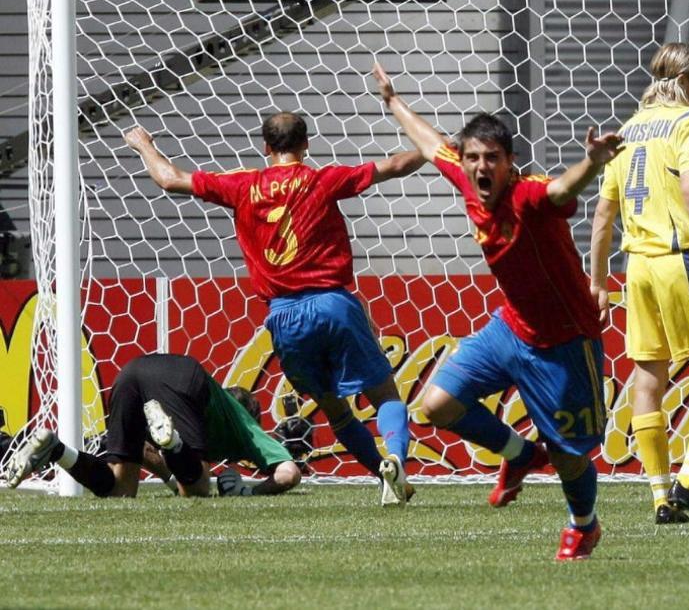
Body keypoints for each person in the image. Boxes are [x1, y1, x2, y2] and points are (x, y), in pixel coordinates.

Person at [371, 63, 621, 560]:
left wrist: (592, 163)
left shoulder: (528, 195)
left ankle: (583, 525)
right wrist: (392, 100)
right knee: (436, 405)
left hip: (565, 341)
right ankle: (522, 454)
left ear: (510, 162)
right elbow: (428, 142)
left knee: (572, 458)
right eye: (473, 158)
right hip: (511, 328)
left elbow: (562, 190)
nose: (481, 167)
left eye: (492, 158)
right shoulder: (465, 179)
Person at [124, 113, 423, 506]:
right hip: (333, 303)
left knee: (337, 413)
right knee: (386, 398)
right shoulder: (321, 179)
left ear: (266, 147)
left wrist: (143, 143)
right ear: (307, 144)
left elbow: (169, 178)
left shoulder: (242, 185)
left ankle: (384, 481)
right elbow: (395, 165)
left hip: (284, 316)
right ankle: (396, 461)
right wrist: (435, 149)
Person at [589, 42, 689, 525]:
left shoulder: (628, 129)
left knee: (648, 377)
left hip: (638, 267)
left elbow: (602, 213)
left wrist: (596, 280)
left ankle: (659, 496)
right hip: (681, 260)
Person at [3, 353, 300, 497]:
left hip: (132, 370)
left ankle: (57, 450)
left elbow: (147, 453)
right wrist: (249, 494)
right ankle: (175, 444)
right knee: (198, 490)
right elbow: (290, 473)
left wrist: (171, 469)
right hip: (183, 375)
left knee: (120, 491)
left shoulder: (211, 408)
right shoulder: (246, 427)